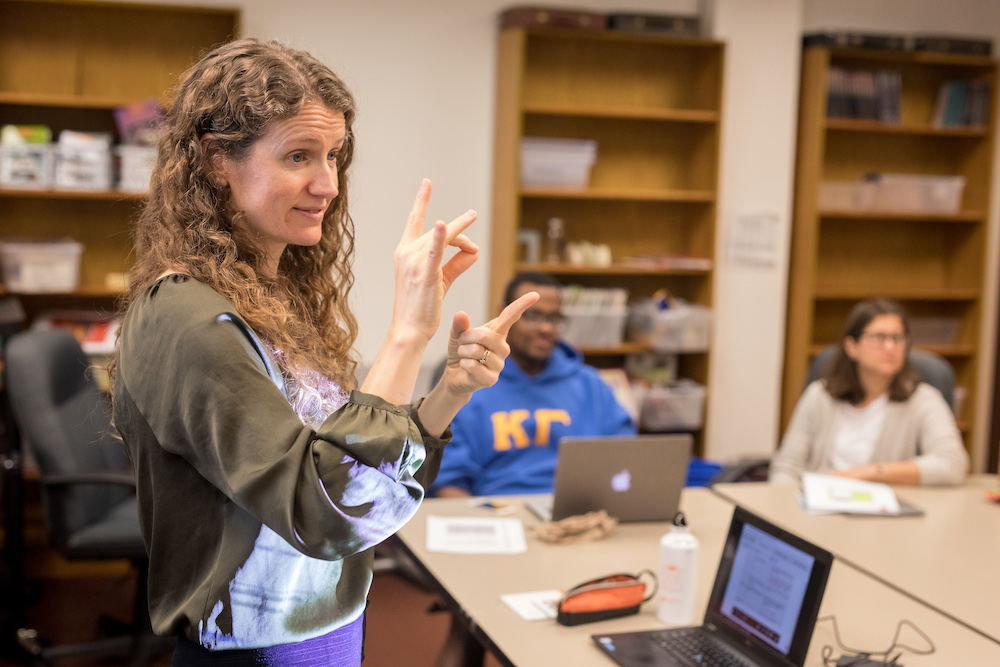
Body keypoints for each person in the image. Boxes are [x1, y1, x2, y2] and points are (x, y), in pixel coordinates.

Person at [110, 38, 537, 665]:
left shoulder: (274, 296)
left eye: (333, 156)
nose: (327, 184)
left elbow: (363, 489)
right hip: (256, 648)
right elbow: (323, 511)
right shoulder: (185, 317)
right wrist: (405, 335)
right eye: (298, 156)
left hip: (326, 628)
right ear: (215, 159)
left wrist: (449, 392)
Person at [430, 271, 636, 498]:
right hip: (498, 515)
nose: (546, 328)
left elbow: (626, 460)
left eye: (554, 318)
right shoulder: (470, 383)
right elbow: (448, 480)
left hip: (581, 515)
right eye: (533, 316)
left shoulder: (591, 385)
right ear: (504, 314)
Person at [769, 298, 968, 486]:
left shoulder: (924, 399)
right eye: (879, 337)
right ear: (851, 346)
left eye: (897, 338)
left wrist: (868, 473)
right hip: (815, 509)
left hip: (882, 514)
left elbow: (952, 463)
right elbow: (785, 468)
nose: (890, 347)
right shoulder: (819, 396)